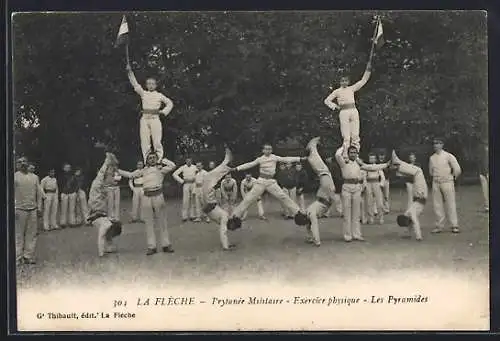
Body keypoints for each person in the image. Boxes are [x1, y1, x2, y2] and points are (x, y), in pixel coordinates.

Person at [227, 143, 310, 228]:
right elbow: (249, 164)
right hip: (261, 182)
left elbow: (286, 159)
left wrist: (300, 158)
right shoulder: (260, 159)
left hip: (271, 182)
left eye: (270, 149)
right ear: (263, 150)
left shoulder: (274, 157)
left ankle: (298, 213)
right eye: (266, 149)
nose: (268, 150)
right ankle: (234, 217)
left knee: (283, 196)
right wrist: (237, 168)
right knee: (248, 199)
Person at [118, 151, 176, 255]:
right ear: (147, 160)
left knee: (162, 221)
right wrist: (117, 170)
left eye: (154, 158)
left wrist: (162, 159)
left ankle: (166, 244)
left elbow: (173, 166)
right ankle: (151, 246)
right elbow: (130, 175)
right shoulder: (143, 171)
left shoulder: (161, 169)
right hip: (146, 196)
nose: (152, 159)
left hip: (158, 195)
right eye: (150, 158)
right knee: (149, 222)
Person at [335, 145, 390, 242]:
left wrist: (386, 164)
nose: (353, 154)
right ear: (348, 154)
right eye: (351, 152)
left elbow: (372, 167)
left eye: (354, 152)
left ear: (357, 154)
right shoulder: (343, 162)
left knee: (356, 213)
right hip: (347, 187)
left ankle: (356, 234)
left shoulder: (359, 163)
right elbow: (337, 155)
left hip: (357, 187)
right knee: (347, 213)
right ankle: (347, 236)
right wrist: (344, 146)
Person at [323, 55, 373, 156]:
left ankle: (356, 154)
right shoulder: (337, 91)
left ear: (348, 82)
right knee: (346, 136)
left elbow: (363, 81)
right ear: (340, 82)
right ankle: (345, 154)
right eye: (342, 81)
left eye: (346, 81)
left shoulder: (351, 88)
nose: (344, 82)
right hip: (344, 112)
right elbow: (327, 100)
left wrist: (368, 70)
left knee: (355, 135)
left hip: (353, 111)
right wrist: (335, 106)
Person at [126, 63, 174, 162]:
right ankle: (146, 161)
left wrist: (163, 112)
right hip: (144, 119)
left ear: (156, 85)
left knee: (156, 141)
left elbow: (170, 103)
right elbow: (135, 84)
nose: (151, 85)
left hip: (155, 119)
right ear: (146, 85)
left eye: (152, 84)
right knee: (145, 142)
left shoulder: (159, 95)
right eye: (149, 83)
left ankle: (159, 160)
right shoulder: (144, 94)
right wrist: (130, 72)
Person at [201, 148, 241, 251]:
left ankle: (227, 160)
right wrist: (227, 245)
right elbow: (224, 231)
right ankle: (227, 161)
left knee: (212, 176)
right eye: (232, 227)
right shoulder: (225, 217)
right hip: (208, 202)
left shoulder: (225, 217)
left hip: (208, 202)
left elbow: (223, 230)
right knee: (213, 175)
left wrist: (226, 246)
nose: (231, 228)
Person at [303, 137, 338, 246]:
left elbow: (309, 226)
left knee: (322, 170)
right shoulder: (311, 213)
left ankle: (312, 152)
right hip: (325, 198)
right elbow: (314, 225)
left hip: (323, 196)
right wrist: (317, 241)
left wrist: (310, 238)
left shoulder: (308, 211)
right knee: (323, 171)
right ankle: (312, 149)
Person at [87, 152, 123, 257]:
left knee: (115, 225)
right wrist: (107, 161)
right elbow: (102, 173)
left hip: (102, 215)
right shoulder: (96, 184)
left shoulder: (104, 185)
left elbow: (111, 177)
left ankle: (109, 246)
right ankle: (101, 252)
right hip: (95, 215)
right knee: (106, 226)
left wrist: (113, 167)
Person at [392, 151, 428, 241]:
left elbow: (412, 222)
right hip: (421, 195)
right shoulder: (410, 214)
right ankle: (398, 163)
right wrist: (418, 236)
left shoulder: (408, 213)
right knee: (418, 171)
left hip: (418, 195)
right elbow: (415, 223)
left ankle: (398, 167)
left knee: (416, 173)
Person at [428, 137, 462, 233]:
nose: (436, 145)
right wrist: (436, 177)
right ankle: (439, 225)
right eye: (434, 143)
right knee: (437, 205)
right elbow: (431, 171)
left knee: (450, 203)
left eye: (438, 143)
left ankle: (454, 225)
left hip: (447, 182)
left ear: (442, 145)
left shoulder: (448, 156)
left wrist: (454, 177)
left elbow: (457, 168)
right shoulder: (432, 158)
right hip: (436, 182)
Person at [15, 157, 43, 265]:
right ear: (17, 164)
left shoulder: (35, 177)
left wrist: (39, 208)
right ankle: (18, 257)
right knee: (19, 234)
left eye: (24, 161)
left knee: (31, 234)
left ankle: (28, 256)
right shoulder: (14, 177)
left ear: (28, 163)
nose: (22, 164)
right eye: (20, 162)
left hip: (32, 209)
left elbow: (39, 193)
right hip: (19, 209)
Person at [172, 157, 198, 222]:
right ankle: (184, 216)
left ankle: (192, 215)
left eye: (190, 161)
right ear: (185, 161)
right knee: (185, 200)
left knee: (193, 199)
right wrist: (182, 181)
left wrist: (195, 179)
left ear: (191, 161)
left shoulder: (195, 167)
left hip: (193, 184)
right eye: (187, 161)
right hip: (186, 184)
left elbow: (199, 173)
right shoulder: (183, 167)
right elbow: (174, 174)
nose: (189, 162)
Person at [364, 152, 386, 225]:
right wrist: (365, 185)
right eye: (370, 158)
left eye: (373, 158)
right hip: (369, 184)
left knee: (379, 201)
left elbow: (382, 177)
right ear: (369, 159)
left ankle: (381, 217)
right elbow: (364, 177)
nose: (372, 160)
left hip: (376, 183)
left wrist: (381, 184)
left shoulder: (378, 167)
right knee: (369, 202)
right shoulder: (366, 167)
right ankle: (371, 218)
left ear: (375, 159)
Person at [59, 163, 77, 228]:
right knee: (63, 209)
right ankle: (63, 223)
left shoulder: (73, 176)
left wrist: (74, 191)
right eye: (66, 167)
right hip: (64, 193)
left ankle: (72, 222)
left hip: (72, 193)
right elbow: (59, 185)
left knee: (72, 209)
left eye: (69, 167)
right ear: (63, 168)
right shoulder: (60, 176)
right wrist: (61, 192)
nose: (68, 169)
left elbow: (76, 185)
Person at [479, 145, 489, 213]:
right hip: (483, 173)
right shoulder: (481, 153)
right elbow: (480, 163)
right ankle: (487, 206)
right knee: (485, 191)